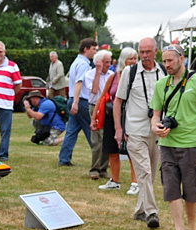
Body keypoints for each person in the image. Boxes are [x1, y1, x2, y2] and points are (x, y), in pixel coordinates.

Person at [151, 43, 196, 230]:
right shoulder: (162, 84)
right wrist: (156, 128)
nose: (167, 64)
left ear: (182, 58)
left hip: (192, 145)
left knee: (192, 188)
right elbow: (155, 116)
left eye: (170, 60)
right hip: (167, 145)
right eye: (164, 61)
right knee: (171, 189)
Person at [115, 37, 167, 229]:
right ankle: (152, 212)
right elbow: (118, 101)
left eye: (148, 52)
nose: (144, 56)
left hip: (157, 130)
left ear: (156, 51)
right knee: (144, 172)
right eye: (141, 52)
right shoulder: (130, 72)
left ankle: (139, 210)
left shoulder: (163, 71)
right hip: (135, 131)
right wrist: (119, 129)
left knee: (151, 175)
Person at [96, 48, 138, 192]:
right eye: (130, 58)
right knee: (112, 149)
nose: (133, 61)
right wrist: (95, 116)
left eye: (135, 58)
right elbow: (102, 96)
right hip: (111, 116)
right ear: (123, 60)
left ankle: (135, 182)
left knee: (132, 150)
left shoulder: (138, 76)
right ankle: (115, 180)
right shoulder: (114, 77)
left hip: (130, 116)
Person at [57, 38, 98, 167]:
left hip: (74, 100)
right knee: (91, 130)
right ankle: (100, 159)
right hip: (81, 101)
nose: (95, 52)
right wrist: (76, 102)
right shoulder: (84, 65)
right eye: (93, 49)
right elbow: (79, 82)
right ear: (86, 49)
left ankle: (64, 159)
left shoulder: (76, 62)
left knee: (72, 131)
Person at [84, 49, 112, 179]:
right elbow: (94, 90)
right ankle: (94, 168)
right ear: (99, 62)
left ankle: (103, 168)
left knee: (107, 138)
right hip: (95, 107)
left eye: (110, 62)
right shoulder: (90, 74)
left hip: (108, 108)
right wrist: (98, 72)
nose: (109, 65)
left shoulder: (112, 74)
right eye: (106, 62)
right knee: (97, 140)